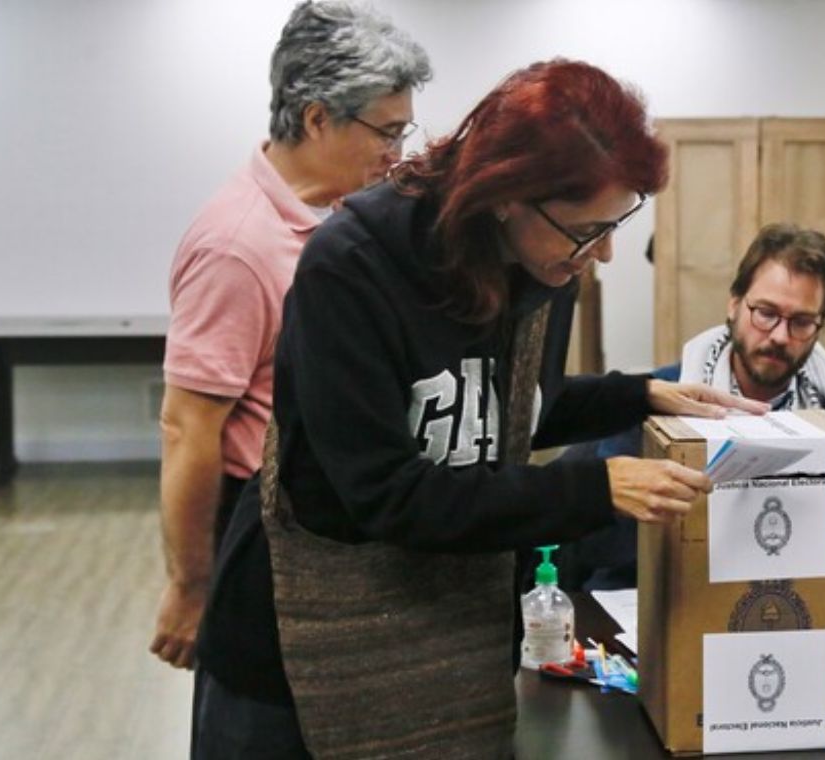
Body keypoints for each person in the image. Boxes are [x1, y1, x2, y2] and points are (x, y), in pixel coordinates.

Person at [191, 59, 766, 758]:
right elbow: (387, 492)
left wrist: (635, 393)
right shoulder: (352, 266)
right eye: (587, 230)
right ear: (506, 196)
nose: (603, 253)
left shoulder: (542, 263)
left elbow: (505, 414)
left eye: (615, 226)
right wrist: (593, 488)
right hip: (298, 647)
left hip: (451, 630)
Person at [151, 1, 430, 672]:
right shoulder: (238, 246)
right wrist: (192, 587)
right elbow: (188, 430)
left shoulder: (344, 215)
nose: (396, 154)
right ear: (316, 119)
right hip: (261, 533)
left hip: (330, 526)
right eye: (385, 133)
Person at [558, 223, 825, 591]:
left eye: (801, 322)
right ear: (734, 305)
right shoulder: (665, 396)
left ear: (820, 325)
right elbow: (594, 545)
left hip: (786, 597)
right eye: (765, 313)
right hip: (657, 598)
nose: (779, 336)